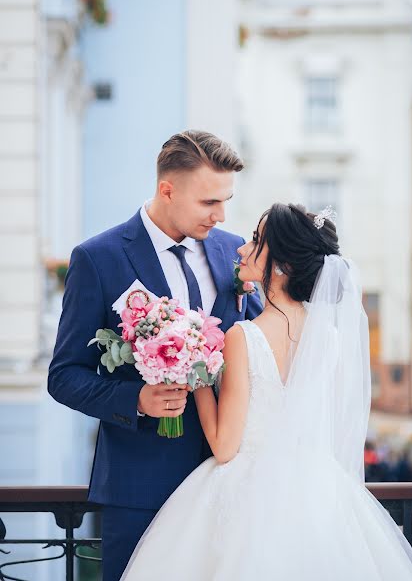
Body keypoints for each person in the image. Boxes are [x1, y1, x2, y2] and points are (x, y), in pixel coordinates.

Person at [121, 203, 412, 581]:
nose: (241, 249)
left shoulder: (243, 337)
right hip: (318, 492)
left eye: (255, 241)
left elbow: (224, 446)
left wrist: (195, 369)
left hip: (246, 494)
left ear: (281, 264)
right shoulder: (329, 338)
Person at [47, 130, 263, 581]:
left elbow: (261, 345)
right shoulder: (98, 258)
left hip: (231, 485)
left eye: (226, 200)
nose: (221, 216)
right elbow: (64, 375)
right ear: (168, 189)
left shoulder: (234, 252)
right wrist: (137, 400)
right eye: (209, 203)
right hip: (140, 487)